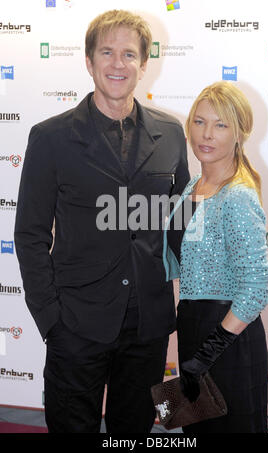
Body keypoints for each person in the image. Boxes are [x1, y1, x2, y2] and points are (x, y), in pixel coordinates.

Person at [14, 10, 190, 433]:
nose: (118, 63)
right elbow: (30, 233)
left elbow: (182, 224)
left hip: (147, 328)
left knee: (132, 433)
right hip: (75, 324)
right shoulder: (50, 137)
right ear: (89, 61)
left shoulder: (170, 132)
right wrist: (50, 319)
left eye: (129, 54)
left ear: (144, 65)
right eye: (106, 52)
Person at [163, 81, 268, 433]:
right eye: (199, 121)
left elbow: (254, 290)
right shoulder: (192, 187)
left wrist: (206, 354)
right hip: (193, 332)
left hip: (230, 343)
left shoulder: (237, 197)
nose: (206, 134)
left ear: (239, 134)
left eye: (220, 125)